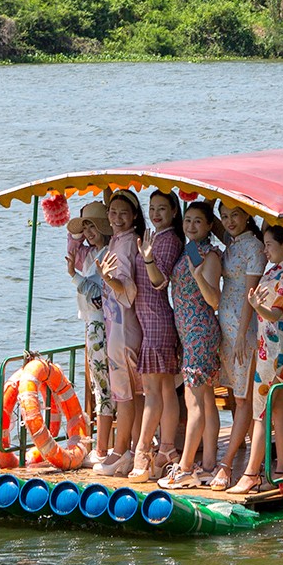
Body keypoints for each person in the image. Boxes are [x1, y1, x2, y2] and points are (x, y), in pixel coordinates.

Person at [226, 224, 283, 496]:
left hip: (276, 348)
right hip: (271, 343)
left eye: (268, 244)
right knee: (278, 409)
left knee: (261, 409)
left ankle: (252, 472)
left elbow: (277, 313)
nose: (264, 250)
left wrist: (256, 306)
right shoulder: (281, 268)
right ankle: (281, 471)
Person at [157, 200, 224, 490]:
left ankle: (185, 468)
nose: (191, 226)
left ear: (210, 225)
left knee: (195, 401)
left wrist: (198, 275)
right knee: (206, 399)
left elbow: (214, 300)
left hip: (200, 331)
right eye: (188, 221)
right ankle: (207, 465)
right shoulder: (188, 250)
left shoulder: (209, 255)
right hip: (188, 331)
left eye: (198, 221)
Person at [126, 190, 183, 482]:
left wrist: (147, 260)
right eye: (152, 208)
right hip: (148, 322)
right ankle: (166, 452)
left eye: (163, 208)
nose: (157, 213)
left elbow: (159, 281)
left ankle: (145, 451)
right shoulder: (154, 236)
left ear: (174, 211)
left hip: (159, 321)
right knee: (161, 390)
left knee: (156, 392)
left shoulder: (170, 239)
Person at [93, 191, 145, 476]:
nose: (116, 217)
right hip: (117, 323)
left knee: (125, 391)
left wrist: (108, 278)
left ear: (135, 215)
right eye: (112, 212)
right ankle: (134, 447)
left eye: (123, 213)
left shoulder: (128, 244)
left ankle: (122, 449)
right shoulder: (118, 240)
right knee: (131, 391)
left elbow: (127, 290)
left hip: (124, 325)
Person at [212, 203, 264, 488]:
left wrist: (243, 334)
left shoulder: (254, 247)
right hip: (225, 324)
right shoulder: (232, 243)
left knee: (243, 396)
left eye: (235, 215)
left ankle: (227, 463)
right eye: (225, 216)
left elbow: (249, 295)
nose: (230, 221)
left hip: (242, 330)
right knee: (234, 392)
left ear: (247, 216)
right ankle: (239, 447)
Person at [66, 202, 116, 463]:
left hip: (101, 326)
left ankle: (103, 449)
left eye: (92, 226)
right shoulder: (92, 253)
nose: (88, 232)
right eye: (85, 227)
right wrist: (75, 232)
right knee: (99, 386)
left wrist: (73, 276)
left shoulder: (107, 254)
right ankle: (104, 445)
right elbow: (71, 250)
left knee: (103, 387)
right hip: (92, 325)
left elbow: (97, 294)